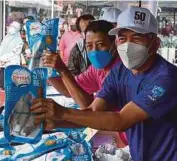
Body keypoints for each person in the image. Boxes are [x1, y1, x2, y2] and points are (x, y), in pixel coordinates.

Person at [31, 6, 177, 160]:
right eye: (122, 38)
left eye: (136, 38)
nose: (127, 45)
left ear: (155, 43)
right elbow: (93, 112)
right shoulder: (120, 71)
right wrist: (56, 122)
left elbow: (121, 120)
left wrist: (63, 113)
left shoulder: (166, 79)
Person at [0, 12, 24, 89]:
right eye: (11, 26)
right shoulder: (6, 38)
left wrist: (2, 59)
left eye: (15, 27)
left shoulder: (19, 41)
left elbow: (14, 53)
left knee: (8, 87)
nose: (12, 28)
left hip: (11, 67)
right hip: (3, 67)